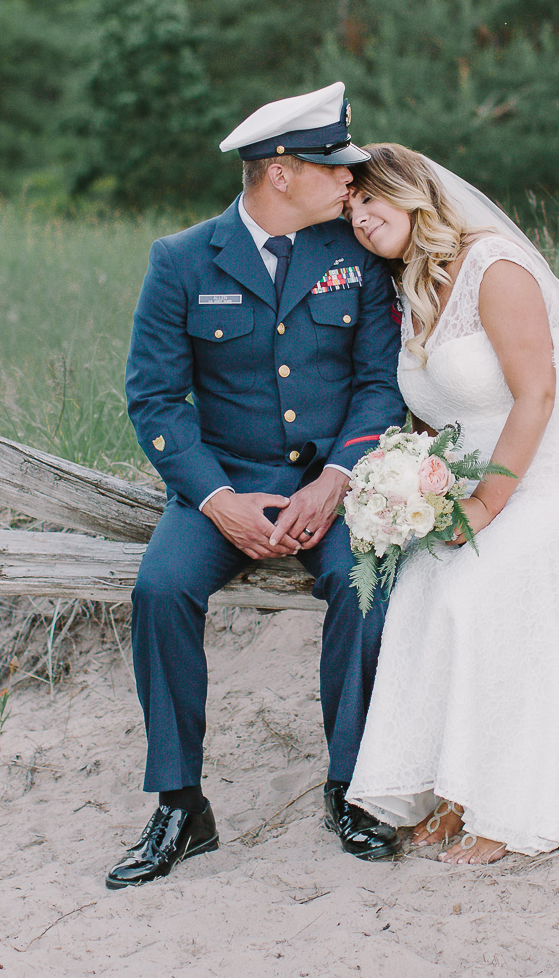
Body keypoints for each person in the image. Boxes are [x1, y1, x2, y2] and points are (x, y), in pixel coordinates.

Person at [109, 82, 408, 889]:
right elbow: (156, 398)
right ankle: (180, 803)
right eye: (333, 165)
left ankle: (351, 787)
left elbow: (380, 383)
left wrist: (338, 479)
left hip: (329, 482)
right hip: (224, 483)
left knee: (365, 580)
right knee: (160, 589)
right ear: (280, 172)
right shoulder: (180, 260)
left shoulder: (353, 256)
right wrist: (215, 500)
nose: (352, 180)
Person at [344, 144, 559, 863]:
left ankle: (505, 803)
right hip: (474, 490)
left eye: (370, 198)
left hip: (548, 483)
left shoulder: (495, 267)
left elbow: (537, 394)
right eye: (349, 206)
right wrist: (411, 488)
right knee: (420, 588)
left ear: (414, 193)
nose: (358, 216)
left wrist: (482, 505)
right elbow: (431, 415)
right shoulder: (410, 288)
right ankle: (451, 790)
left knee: (477, 588)